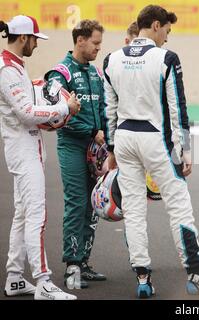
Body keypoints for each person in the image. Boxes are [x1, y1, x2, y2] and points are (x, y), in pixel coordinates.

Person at [104, 5, 199, 298]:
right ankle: (195, 273)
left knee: (134, 211)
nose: (167, 36)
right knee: (179, 205)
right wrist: (185, 150)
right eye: (167, 30)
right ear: (155, 25)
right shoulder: (166, 58)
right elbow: (178, 107)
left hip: (125, 140)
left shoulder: (110, 60)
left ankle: (143, 279)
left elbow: (110, 110)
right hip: (155, 140)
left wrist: (112, 148)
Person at [0, 15, 80, 300]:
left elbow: (29, 109)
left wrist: (56, 105)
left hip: (28, 150)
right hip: (23, 153)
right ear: (23, 38)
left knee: (23, 216)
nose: (36, 43)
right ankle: (44, 282)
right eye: (35, 38)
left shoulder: (15, 66)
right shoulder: (7, 70)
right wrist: (64, 108)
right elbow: (27, 114)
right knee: (37, 216)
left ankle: (14, 278)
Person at [44, 19, 107, 290]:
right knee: (77, 202)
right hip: (72, 145)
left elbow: (105, 109)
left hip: (97, 148)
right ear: (80, 40)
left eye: (100, 44)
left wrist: (105, 134)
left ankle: (84, 261)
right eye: (95, 43)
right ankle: (71, 264)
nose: (98, 49)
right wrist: (93, 130)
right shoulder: (60, 73)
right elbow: (60, 114)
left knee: (93, 205)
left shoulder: (95, 73)